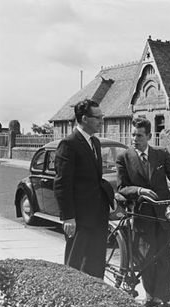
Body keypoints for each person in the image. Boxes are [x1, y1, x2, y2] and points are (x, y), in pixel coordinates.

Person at [115, 117, 170, 307]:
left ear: (149, 136)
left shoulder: (161, 155)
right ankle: (152, 296)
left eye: (139, 135)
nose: (135, 139)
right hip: (142, 214)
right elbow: (122, 188)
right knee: (147, 258)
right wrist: (139, 191)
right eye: (133, 135)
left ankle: (165, 297)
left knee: (165, 255)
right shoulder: (124, 158)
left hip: (162, 212)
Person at [54, 99, 114, 279]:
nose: (101, 121)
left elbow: (94, 179)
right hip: (79, 219)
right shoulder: (68, 144)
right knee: (75, 267)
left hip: (97, 216)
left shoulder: (94, 142)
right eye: (98, 117)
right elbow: (62, 183)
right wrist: (68, 217)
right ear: (85, 119)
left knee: (95, 265)